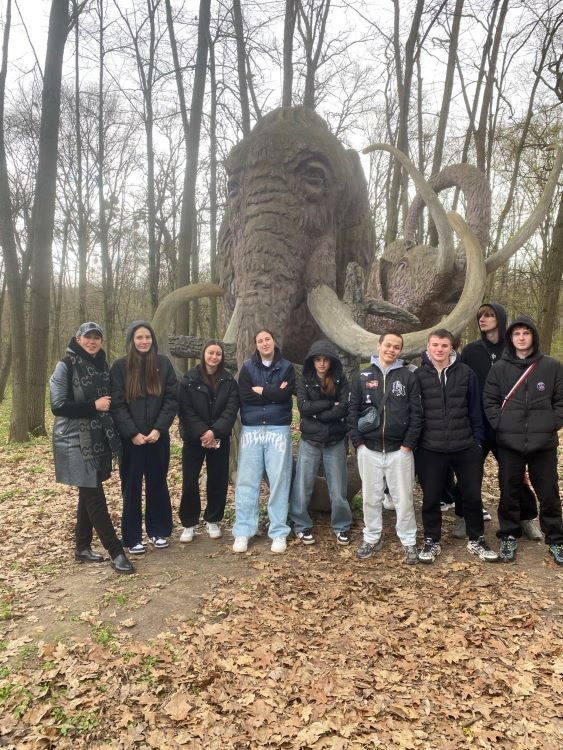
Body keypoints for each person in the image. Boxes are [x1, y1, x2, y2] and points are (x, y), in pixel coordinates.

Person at [50, 322, 134, 575]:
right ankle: (116, 552)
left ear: (101, 341)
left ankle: (82, 547)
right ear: (78, 339)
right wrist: (93, 406)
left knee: (88, 491)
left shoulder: (102, 366)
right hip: (73, 439)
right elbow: (58, 405)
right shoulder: (66, 365)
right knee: (94, 495)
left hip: (97, 437)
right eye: (88, 337)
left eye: (97, 337)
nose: (92, 341)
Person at [451, 303, 540, 540]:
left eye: (489, 315)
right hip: (477, 424)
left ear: (500, 318)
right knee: (469, 473)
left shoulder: (512, 350)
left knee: (514, 473)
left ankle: (526, 517)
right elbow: (462, 385)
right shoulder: (471, 351)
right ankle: (465, 516)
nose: (482, 319)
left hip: (506, 424)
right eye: (480, 315)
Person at [483, 315, 563, 565]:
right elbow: (489, 400)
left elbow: (561, 401)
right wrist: (502, 425)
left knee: (548, 493)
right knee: (509, 491)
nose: (521, 337)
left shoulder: (551, 366)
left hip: (543, 443)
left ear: (533, 337)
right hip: (510, 443)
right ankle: (508, 534)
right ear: (510, 338)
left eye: (525, 333)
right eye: (516, 333)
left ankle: (556, 539)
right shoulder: (499, 368)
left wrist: (550, 424)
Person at [415, 329, 498, 563]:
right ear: (428, 346)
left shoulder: (466, 373)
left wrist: (477, 441)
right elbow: (414, 412)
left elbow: (475, 409)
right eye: (435, 345)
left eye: (444, 345)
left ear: (451, 347)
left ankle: (477, 539)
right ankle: (431, 540)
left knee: (471, 496)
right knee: (431, 498)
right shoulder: (418, 376)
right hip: (431, 448)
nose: (439, 349)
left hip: (465, 446)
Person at [348, 331, 423, 564]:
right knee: (371, 497)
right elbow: (352, 411)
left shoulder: (408, 377)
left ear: (400, 351)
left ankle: (408, 541)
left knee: (404, 498)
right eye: (388, 345)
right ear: (379, 345)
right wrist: (358, 443)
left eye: (396, 347)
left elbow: (417, 414)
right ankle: (371, 537)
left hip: (399, 451)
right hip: (369, 449)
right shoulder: (361, 376)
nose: (391, 350)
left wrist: (408, 445)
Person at [110, 321, 177, 554]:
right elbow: (117, 404)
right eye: (139, 337)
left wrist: (159, 428)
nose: (144, 341)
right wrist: (132, 433)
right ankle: (132, 537)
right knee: (132, 486)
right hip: (132, 441)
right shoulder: (120, 367)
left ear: (153, 340)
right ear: (132, 340)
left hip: (158, 437)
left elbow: (171, 399)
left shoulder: (163, 364)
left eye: (147, 337)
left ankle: (158, 531)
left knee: (157, 483)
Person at [233, 329, 295, 553]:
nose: (264, 343)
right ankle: (243, 530)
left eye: (267, 339)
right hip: (252, 429)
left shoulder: (286, 367)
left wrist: (262, 391)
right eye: (260, 340)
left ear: (274, 341)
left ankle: (278, 532)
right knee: (247, 481)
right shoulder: (248, 367)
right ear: (256, 345)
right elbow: (245, 395)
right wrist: (273, 393)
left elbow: (285, 395)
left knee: (279, 480)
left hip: (279, 428)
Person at [289, 341, 351, 546]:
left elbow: (344, 408)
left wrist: (318, 413)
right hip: (310, 441)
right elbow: (304, 408)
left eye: (325, 360)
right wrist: (329, 405)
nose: (322, 363)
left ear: (331, 362)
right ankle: (301, 524)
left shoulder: (341, 380)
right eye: (318, 360)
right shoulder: (305, 380)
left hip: (335, 441)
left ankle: (342, 526)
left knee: (338, 488)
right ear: (312, 361)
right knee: (303, 486)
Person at [177, 340, 239, 542]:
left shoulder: (229, 381)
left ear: (222, 357)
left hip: (219, 438)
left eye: (218, 354)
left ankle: (213, 519)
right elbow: (185, 410)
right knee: (189, 481)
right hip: (194, 438)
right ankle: (189, 523)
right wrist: (203, 432)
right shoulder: (189, 379)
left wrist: (215, 432)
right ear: (203, 354)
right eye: (211, 353)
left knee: (217, 480)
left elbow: (231, 410)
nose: (214, 357)